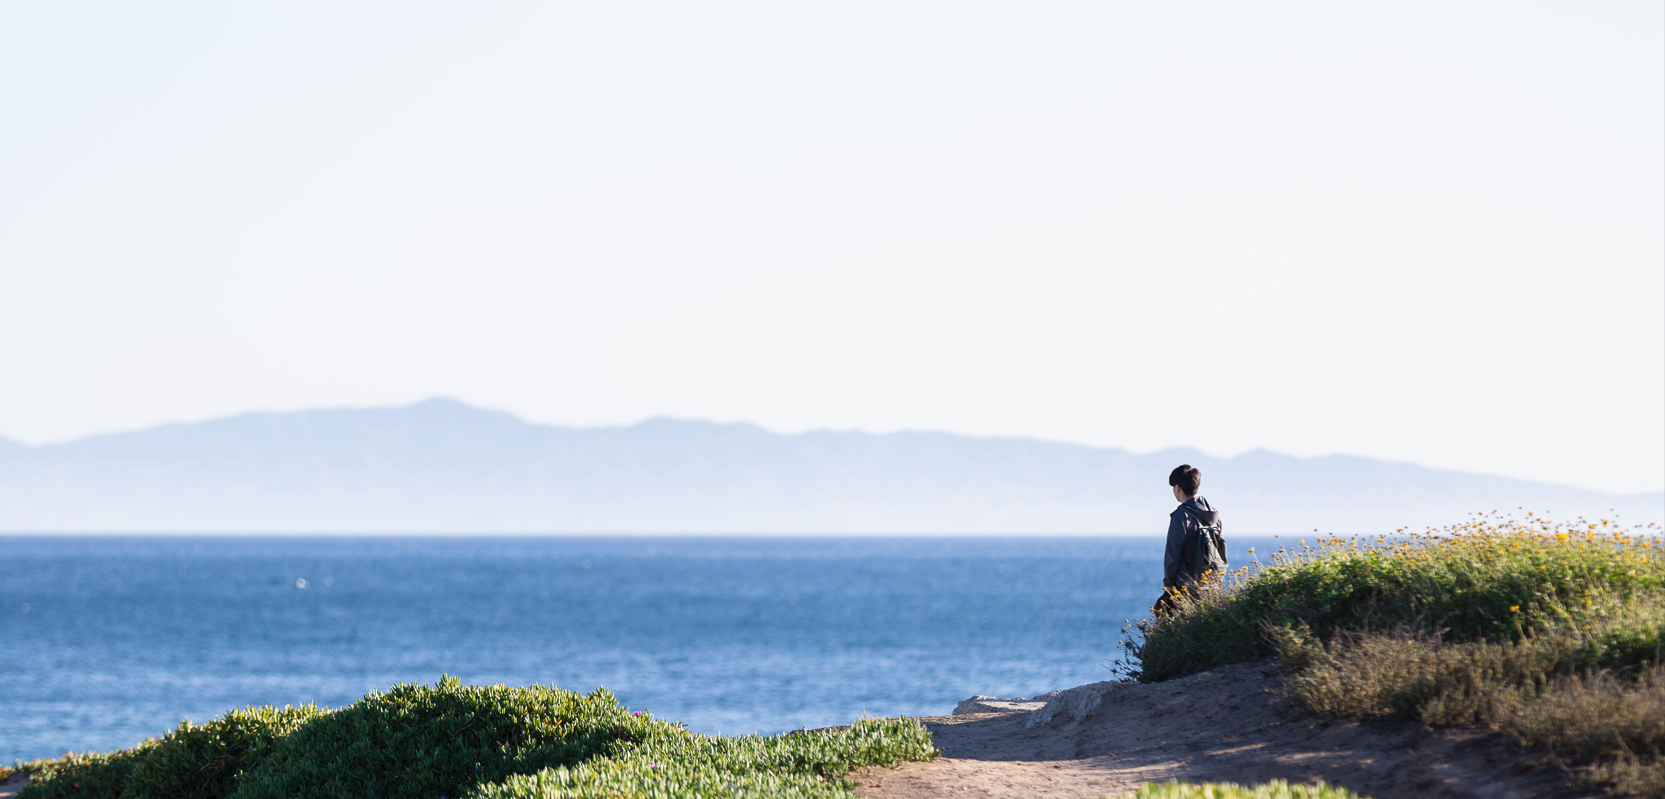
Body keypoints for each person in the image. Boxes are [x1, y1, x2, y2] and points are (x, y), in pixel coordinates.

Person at [1154, 464, 1226, 614]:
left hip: (1186, 587)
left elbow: (1173, 553)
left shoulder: (1181, 516)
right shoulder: (1214, 515)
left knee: (1163, 630)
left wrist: (1169, 584)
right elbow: (1221, 548)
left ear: (1178, 488)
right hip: (1212, 585)